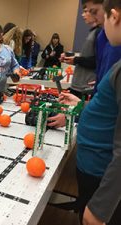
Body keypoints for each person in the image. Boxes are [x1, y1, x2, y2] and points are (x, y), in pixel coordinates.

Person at [57, 1, 121, 224]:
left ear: (114, 16)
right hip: (93, 165)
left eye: (99, 13)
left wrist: (100, 208)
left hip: (101, 170)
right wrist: (83, 105)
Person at [61, 1, 100, 99]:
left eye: (87, 11)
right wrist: (73, 59)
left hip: (85, 87)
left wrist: (76, 60)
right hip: (79, 85)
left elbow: (97, 61)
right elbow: (88, 58)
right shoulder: (93, 32)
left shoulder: (99, 33)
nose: (83, 15)